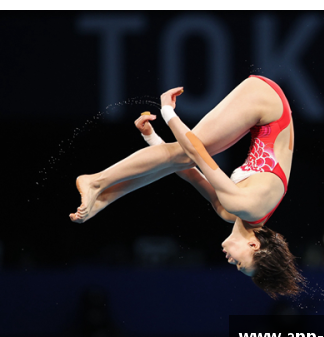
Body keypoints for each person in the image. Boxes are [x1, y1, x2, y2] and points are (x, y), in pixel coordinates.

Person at [69, 75, 305, 298]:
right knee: (186, 154)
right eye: (240, 264)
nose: (231, 263)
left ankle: (103, 197)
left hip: (265, 115)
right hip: (267, 101)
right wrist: (167, 111)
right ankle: (96, 181)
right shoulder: (245, 206)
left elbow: (190, 174)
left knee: (180, 157)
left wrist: (152, 139)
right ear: (253, 244)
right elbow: (195, 152)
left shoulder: (230, 212)